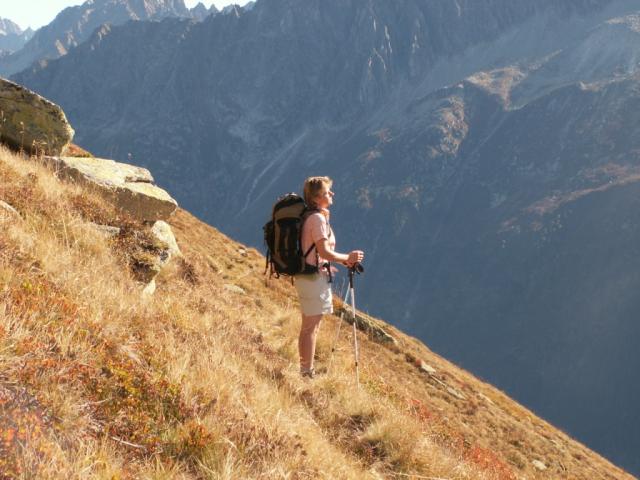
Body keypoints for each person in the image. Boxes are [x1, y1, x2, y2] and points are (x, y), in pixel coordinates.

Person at [295, 176, 364, 378]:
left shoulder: (313, 216)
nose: (332, 194)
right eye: (327, 192)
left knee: (310, 326)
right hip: (312, 279)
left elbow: (318, 252)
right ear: (316, 198)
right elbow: (324, 251)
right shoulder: (316, 219)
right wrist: (347, 258)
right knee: (310, 328)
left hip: (310, 276)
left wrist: (340, 262)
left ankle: (306, 370)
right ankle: (306, 373)